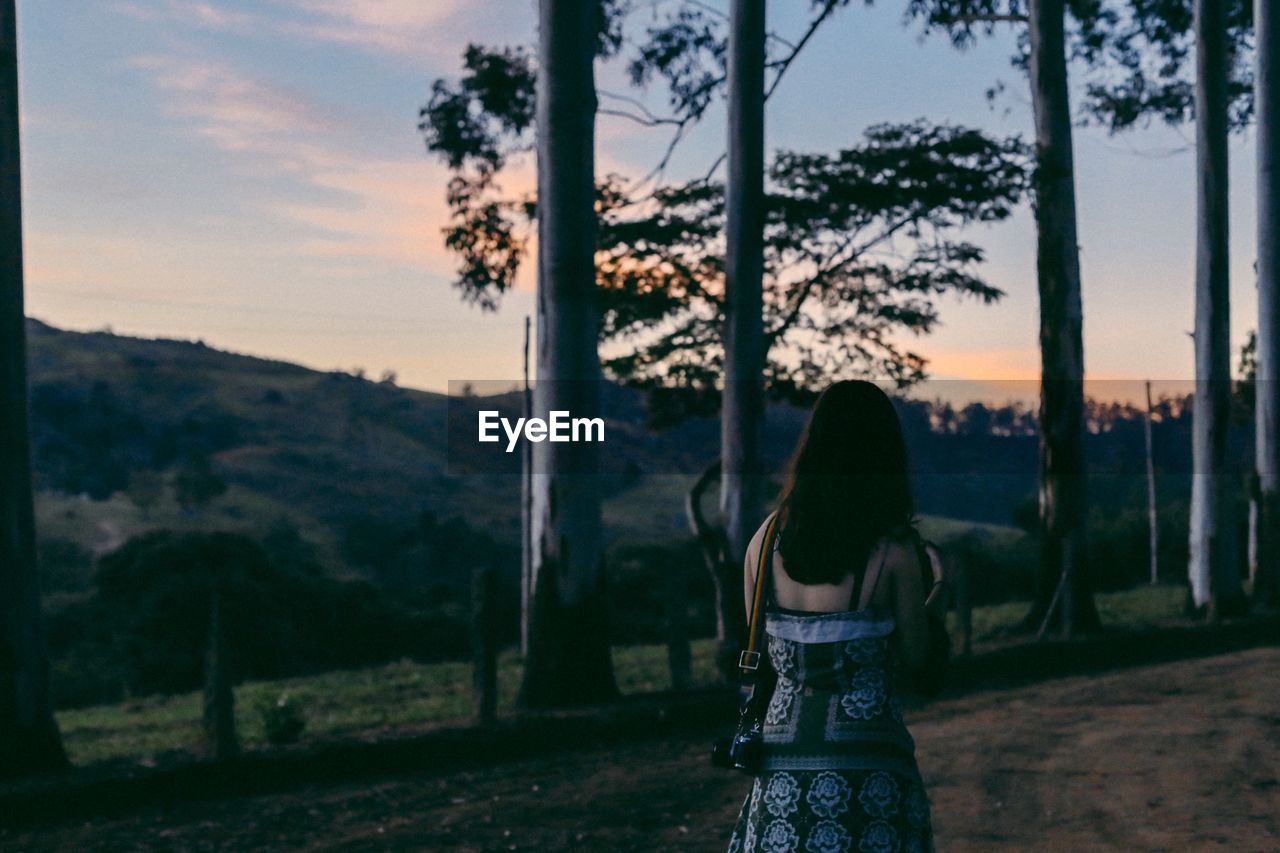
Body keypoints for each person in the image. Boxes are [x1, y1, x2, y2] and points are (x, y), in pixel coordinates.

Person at [727, 380, 944, 853]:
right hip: (870, 775)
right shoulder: (894, 551)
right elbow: (920, 660)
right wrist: (935, 598)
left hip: (780, 774)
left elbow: (758, 653)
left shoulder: (762, 544)